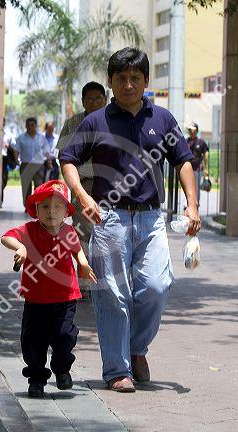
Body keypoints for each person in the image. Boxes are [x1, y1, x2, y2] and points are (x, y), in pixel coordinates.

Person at [59, 47, 200, 393]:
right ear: (110, 82)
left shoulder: (163, 120)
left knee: (156, 286)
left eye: (135, 78)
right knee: (112, 294)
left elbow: (183, 160)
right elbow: (68, 159)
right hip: (109, 220)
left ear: (146, 81)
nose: (128, 84)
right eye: (121, 78)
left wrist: (192, 204)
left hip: (151, 219)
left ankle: (136, 349)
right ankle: (117, 369)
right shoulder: (96, 121)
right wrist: (82, 196)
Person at [1, 180, 97, 398]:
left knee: (64, 335)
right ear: (36, 209)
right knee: (34, 341)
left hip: (65, 298)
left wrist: (82, 263)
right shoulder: (29, 230)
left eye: (57, 207)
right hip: (36, 300)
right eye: (44, 207)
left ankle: (62, 368)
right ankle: (36, 379)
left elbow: (77, 251)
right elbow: (6, 237)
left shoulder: (69, 231)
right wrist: (21, 247)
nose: (51, 212)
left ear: (66, 211)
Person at [57, 81, 107, 299]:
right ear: (83, 101)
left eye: (98, 98)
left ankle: (108, 282)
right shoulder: (73, 123)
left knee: (109, 233)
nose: (94, 102)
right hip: (83, 185)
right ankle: (85, 283)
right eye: (90, 99)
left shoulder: (113, 120)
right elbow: (64, 157)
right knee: (83, 235)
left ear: (104, 99)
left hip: (110, 185)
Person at [13, 117, 49, 207]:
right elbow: (16, 149)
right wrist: (17, 160)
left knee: (39, 187)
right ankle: (28, 207)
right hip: (25, 164)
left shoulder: (41, 138)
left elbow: (47, 151)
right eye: (28, 125)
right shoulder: (21, 138)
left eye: (32, 125)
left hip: (39, 166)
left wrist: (49, 162)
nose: (30, 127)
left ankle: (37, 207)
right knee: (26, 187)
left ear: (36, 126)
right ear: (25, 126)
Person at [186, 121, 209, 206]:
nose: (190, 131)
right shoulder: (186, 141)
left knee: (195, 189)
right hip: (188, 169)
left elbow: (206, 154)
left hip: (197, 169)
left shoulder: (201, 142)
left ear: (196, 131)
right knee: (187, 187)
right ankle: (188, 205)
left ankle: (195, 205)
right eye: (189, 130)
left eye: (192, 130)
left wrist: (206, 169)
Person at [1, 118, 16, 203]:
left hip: (4, 159)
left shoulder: (8, 134)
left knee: (4, 179)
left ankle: (0, 195)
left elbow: (14, 147)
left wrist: (9, 147)